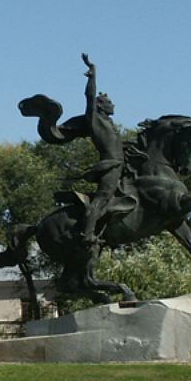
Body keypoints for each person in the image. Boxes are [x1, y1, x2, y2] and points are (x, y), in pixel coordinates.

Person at [75, 53, 125, 244]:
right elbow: (89, 97)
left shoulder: (109, 124)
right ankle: (87, 234)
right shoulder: (94, 119)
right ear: (101, 106)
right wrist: (92, 75)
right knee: (102, 198)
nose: (113, 105)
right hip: (110, 166)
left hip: (121, 165)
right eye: (109, 103)